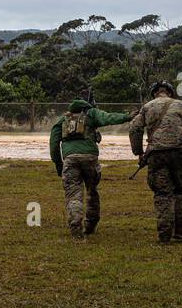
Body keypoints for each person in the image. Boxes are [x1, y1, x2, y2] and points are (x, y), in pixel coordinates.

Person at [49, 98, 133, 239]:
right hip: (90, 158)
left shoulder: (62, 120)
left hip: (70, 159)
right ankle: (91, 224)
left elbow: (53, 145)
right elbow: (109, 117)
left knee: (73, 193)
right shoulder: (91, 114)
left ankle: (75, 222)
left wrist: (59, 164)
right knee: (92, 191)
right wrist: (128, 116)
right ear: (85, 109)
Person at [129, 81, 182, 243]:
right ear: (170, 93)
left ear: (154, 93)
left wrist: (139, 153)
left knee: (162, 193)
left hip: (157, 154)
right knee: (181, 190)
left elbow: (134, 128)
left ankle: (164, 235)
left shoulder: (147, 107)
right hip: (180, 153)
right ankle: (180, 233)